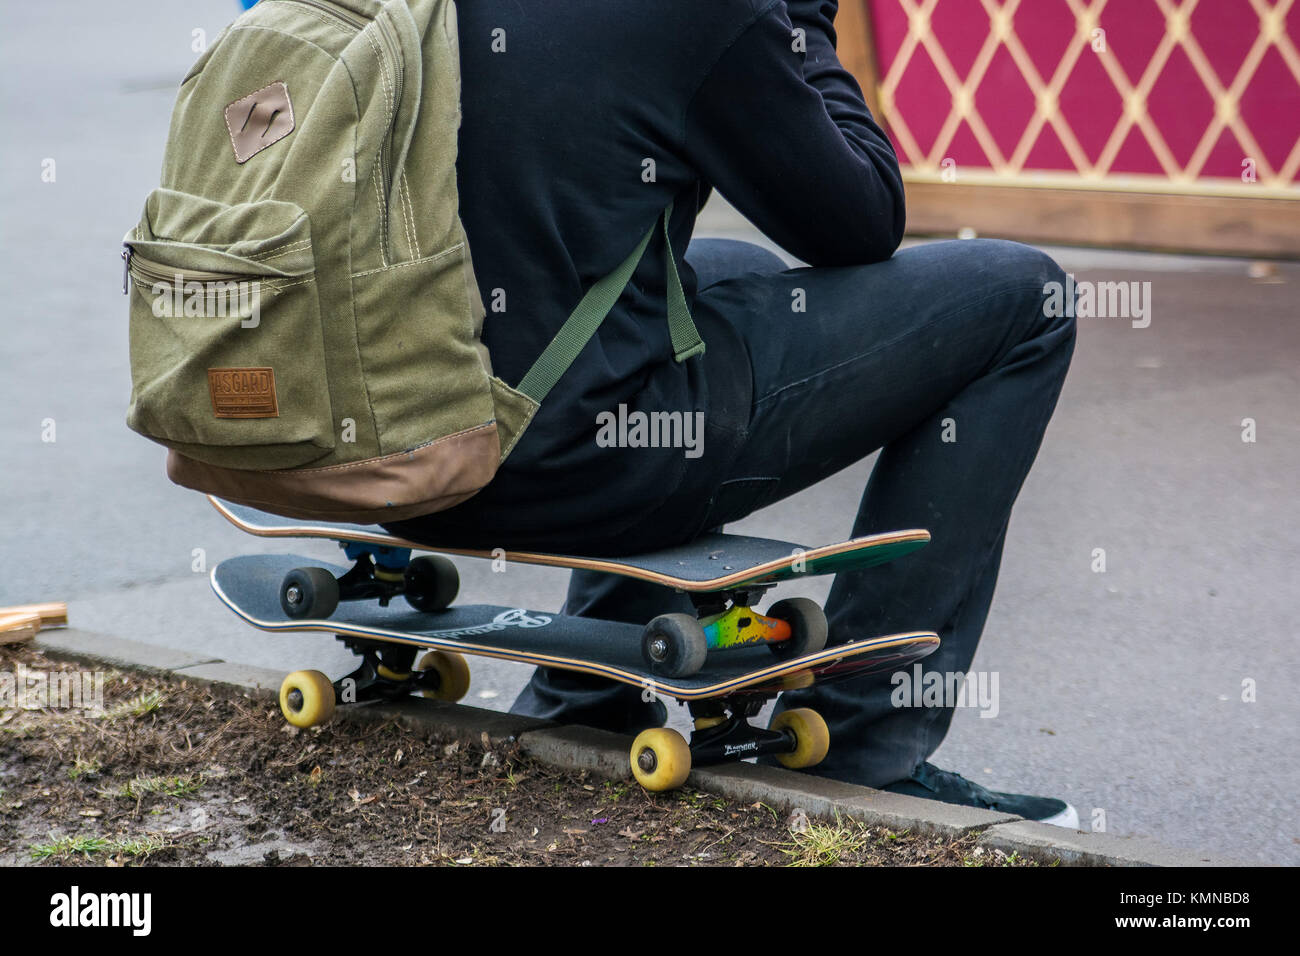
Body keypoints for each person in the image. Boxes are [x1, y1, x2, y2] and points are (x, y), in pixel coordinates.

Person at [385, 0, 1079, 826]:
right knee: (1026, 299)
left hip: (398, 444)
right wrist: (802, 25)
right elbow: (860, 220)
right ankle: (866, 746)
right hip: (565, 463)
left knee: (733, 267)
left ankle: (587, 692)